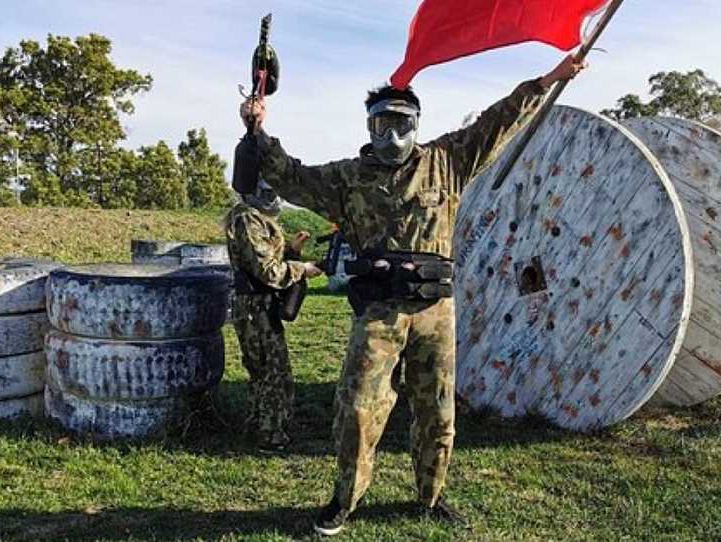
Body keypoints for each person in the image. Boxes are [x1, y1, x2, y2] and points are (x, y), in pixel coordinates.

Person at [240, 54, 587, 535]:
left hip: (435, 314)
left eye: (400, 123)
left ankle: (430, 496)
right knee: (359, 406)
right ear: (369, 124)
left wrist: (550, 79)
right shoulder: (348, 177)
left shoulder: (447, 162)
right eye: (381, 123)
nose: (391, 135)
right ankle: (346, 499)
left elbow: (501, 119)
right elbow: (290, 175)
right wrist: (258, 131)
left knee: (437, 410)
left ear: (416, 124)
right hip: (379, 314)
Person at [225, 179, 322, 451]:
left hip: (258, 305)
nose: (274, 198)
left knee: (264, 371)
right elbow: (267, 272)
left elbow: (268, 263)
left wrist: (292, 251)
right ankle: (269, 435)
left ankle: (259, 427)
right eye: (269, 192)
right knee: (272, 373)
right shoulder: (247, 219)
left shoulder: (253, 218)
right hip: (256, 306)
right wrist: (301, 268)